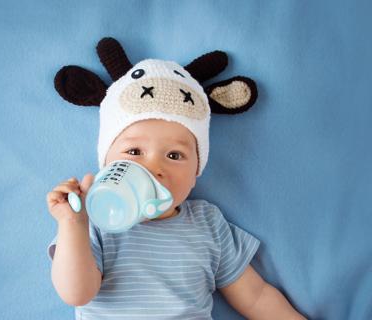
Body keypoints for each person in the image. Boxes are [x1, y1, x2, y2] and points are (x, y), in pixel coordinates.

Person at [47, 38, 305, 319]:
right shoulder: (92, 223)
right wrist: (73, 223)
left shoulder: (208, 224)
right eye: (134, 151)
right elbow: (76, 293)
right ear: (107, 163)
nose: (153, 167)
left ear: (196, 172)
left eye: (174, 155)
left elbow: (256, 298)